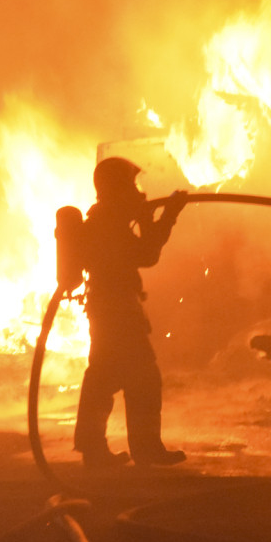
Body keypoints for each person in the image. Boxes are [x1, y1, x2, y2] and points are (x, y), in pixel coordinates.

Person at [73, 157, 188, 468]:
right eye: (132, 185)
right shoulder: (108, 224)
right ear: (117, 188)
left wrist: (150, 217)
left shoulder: (107, 220)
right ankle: (143, 449)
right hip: (117, 312)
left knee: (103, 377)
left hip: (109, 310)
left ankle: (94, 449)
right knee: (142, 378)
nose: (138, 192)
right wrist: (167, 216)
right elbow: (147, 255)